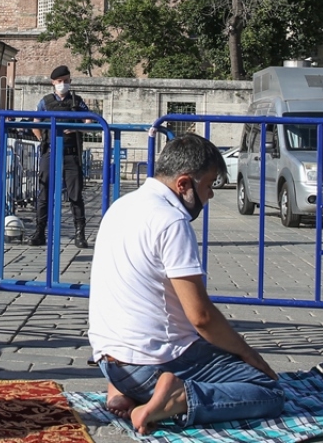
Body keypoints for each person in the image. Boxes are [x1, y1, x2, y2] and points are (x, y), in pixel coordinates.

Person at [89, 134, 284, 434]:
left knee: (217, 352)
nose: (210, 195)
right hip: (149, 363)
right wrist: (246, 352)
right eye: (208, 186)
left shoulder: (121, 206)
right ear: (183, 184)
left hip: (110, 362)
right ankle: (177, 398)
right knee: (268, 391)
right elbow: (201, 317)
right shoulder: (171, 220)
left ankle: (125, 391)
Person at [32, 65, 90, 248]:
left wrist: (76, 129)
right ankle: (39, 232)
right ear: (53, 83)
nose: (63, 84)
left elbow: (89, 121)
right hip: (50, 152)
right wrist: (42, 139)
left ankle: (80, 234)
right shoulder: (45, 102)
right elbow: (35, 123)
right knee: (44, 194)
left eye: (66, 81)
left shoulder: (76, 102)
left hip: (70, 153)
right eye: (59, 81)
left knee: (75, 195)